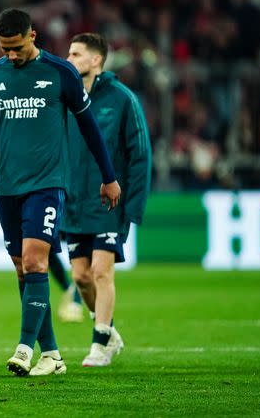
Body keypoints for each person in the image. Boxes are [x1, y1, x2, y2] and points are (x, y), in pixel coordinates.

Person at [0, 8, 121, 377]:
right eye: (5, 49)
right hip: (8, 187)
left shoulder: (60, 73)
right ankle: (52, 354)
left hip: (48, 184)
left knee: (35, 262)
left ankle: (23, 348)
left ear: (32, 36)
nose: (11, 56)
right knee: (22, 269)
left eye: (16, 48)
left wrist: (108, 176)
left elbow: (90, 128)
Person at [63, 33, 151, 367]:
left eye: (76, 54)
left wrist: (134, 207)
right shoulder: (66, 98)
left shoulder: (122, 98)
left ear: (96, 60)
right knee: (81, 277)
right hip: (74, 202)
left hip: (109, 203)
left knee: (102, 271)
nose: (68, 59)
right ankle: (109, 330)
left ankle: (99, 345)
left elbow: (140, 154)